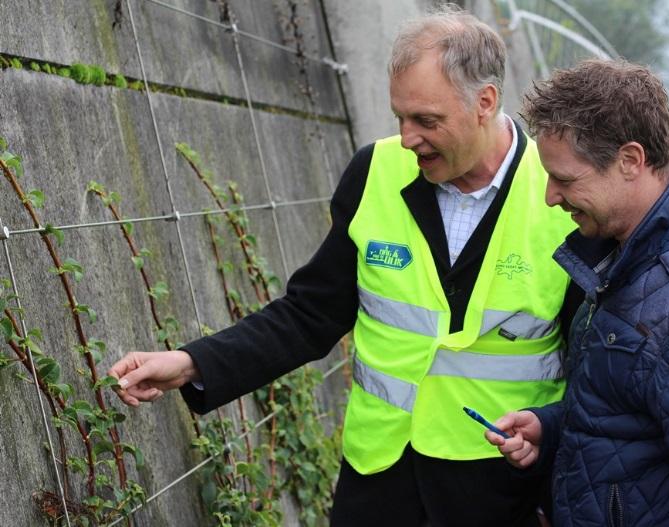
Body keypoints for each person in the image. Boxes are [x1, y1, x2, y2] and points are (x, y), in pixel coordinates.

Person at [109, 6, 580, 525]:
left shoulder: (563, 198)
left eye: (427, 120)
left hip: (499, 495)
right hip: (377, 485)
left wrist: (549, 430)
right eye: (400, 117)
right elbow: (309, 314)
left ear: (485, 103)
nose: (407, 138)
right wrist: (191, 363)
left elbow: (598, 368)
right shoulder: (373, 172)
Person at [485, 58, 669, 526]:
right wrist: (554, 426)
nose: (550, 196)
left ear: (630, 160)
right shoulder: (630, 254)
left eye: (565, 179)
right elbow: (644, 403)